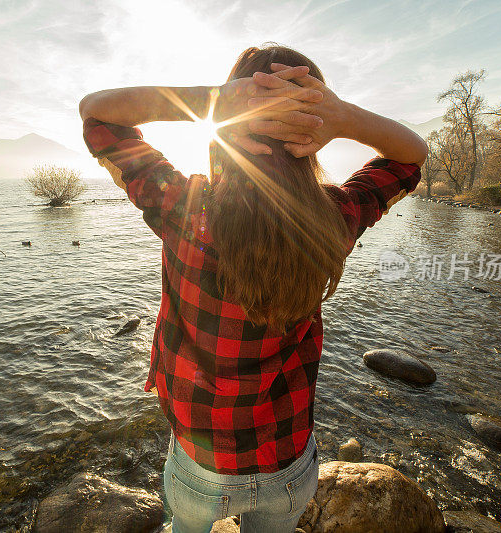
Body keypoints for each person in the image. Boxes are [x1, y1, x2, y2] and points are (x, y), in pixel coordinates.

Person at [79, 44, 427, 533]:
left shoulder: (184, 205)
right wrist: (343, 117)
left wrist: (212, 101)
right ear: (315, 127)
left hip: (202, 460)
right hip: (287, 464)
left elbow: (97, 112)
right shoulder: (335, 216)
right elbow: (411, 156)